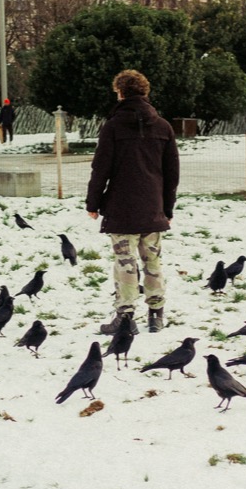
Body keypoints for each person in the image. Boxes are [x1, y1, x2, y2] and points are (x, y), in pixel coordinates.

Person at [86, 69, 179, 334]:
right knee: (153, 262)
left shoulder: (113, 126)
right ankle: (156, 315)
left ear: (121, 92)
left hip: (121, 208)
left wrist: (93, 203)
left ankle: (125, 316)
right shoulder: (163, 127)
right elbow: (172, 174)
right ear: (145, 92)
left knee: (125, 263)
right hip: (152, 208)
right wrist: (167, 208)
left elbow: (100, 168)